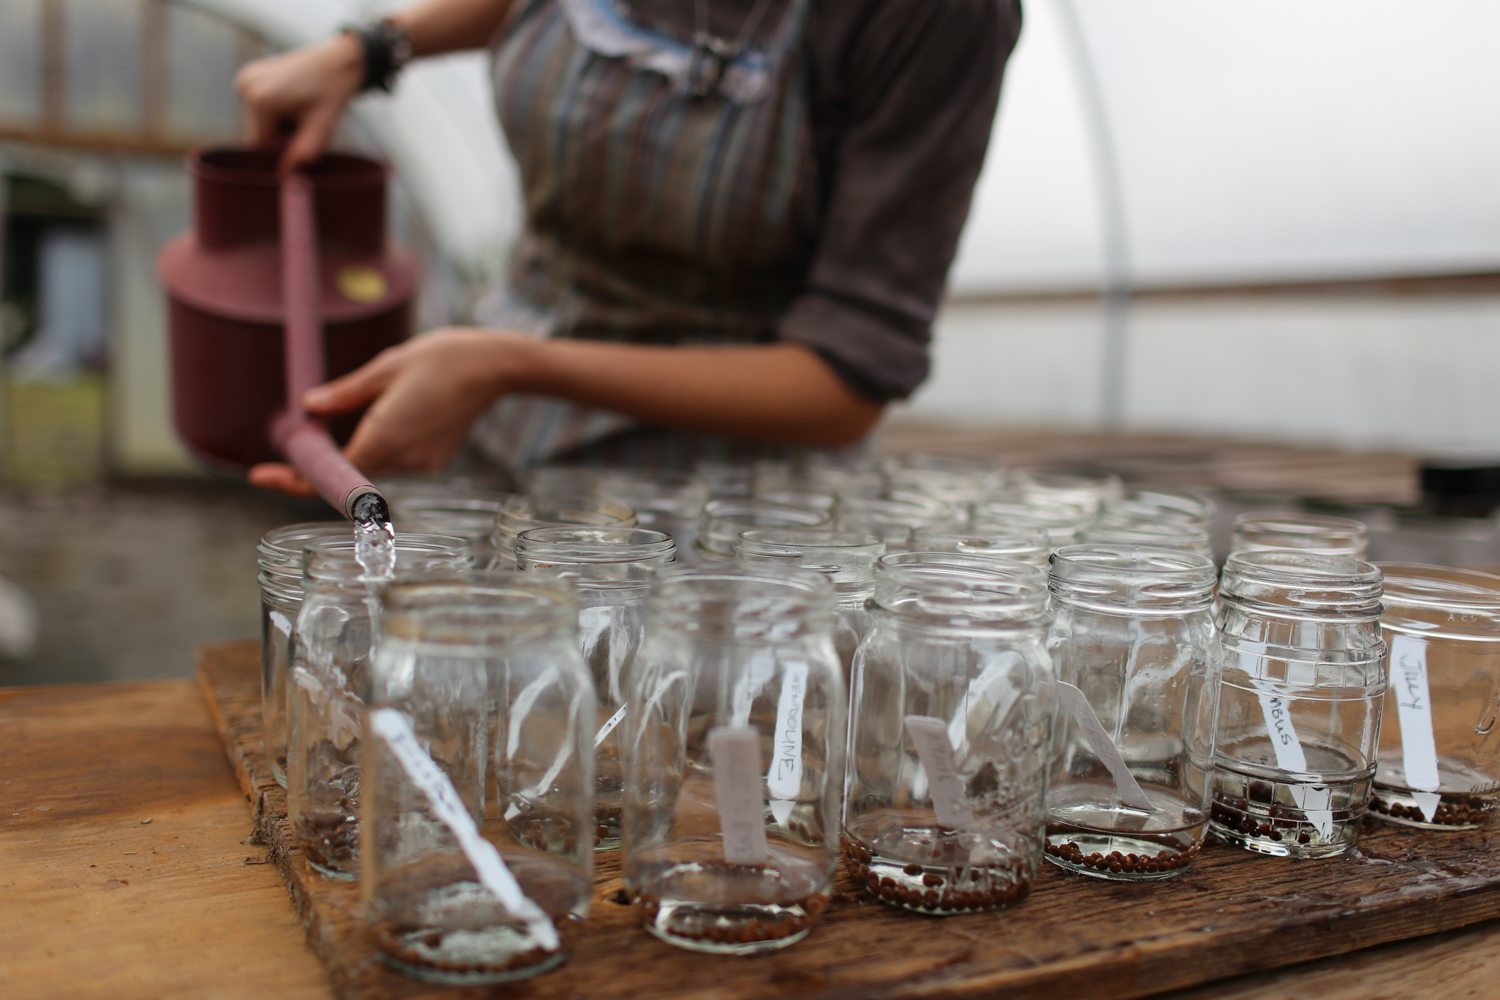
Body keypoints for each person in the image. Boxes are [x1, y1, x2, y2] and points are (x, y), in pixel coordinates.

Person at [238, 0, 1022, 494]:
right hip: (497, 443)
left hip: (713, 527)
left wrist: (508, 364)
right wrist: (374, 48)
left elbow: (846, 384)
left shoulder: (933, 17)